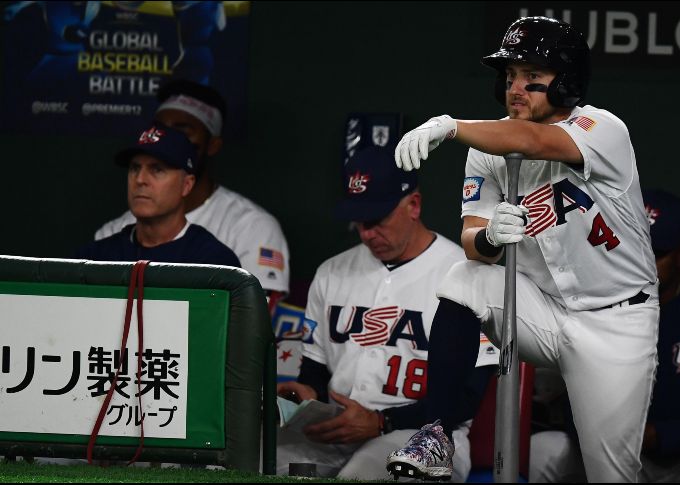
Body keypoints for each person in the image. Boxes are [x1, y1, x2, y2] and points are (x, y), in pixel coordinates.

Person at [386, 16, 659, 483]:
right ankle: (436, 433)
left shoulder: (601, 128)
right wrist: (490, 237)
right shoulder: (487, 150)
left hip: (618, 322)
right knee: (462, 277)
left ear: (567, 80)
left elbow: (532, 141)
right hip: (545, 311)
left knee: (612, 475)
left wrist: (450, 127)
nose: (516, 87)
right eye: (510, 75)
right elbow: (473, 240)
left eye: (533, 76)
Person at [275, 146, 498, 481]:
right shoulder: (331, 272)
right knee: (263, 461)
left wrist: (383, 422)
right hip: (339, 428)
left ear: (413, 205)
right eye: (360, 222)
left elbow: (467, 396)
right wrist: (307, 398)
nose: (367, 234)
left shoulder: (467, 275)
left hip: (428, 436)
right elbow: (315, 372)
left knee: (362, 476)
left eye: (377, 220)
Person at [528, 189, 680, 483]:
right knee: (540, 450)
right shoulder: (598, 302)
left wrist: (658, 436)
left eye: (654, 253)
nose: (640, 263)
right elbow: (574, 399)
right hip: (625, 458)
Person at [94, 80, 289, 308]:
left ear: (212, 145)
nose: (167, 141)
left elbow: (254, 324)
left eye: (182, 132)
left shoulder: (250, 226)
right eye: (160, 131)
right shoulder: (111, 237)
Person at [76, 123, 240, 268]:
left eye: (157, 170)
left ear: (186, 185)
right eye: (135, 168)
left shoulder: (214, 262)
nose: (140, 180)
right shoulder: (95, 259)